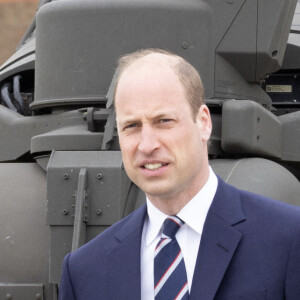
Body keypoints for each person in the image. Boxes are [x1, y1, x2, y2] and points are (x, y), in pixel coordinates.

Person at [59, 49, 300, 300]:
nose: (147, 145)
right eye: (132, 126)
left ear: (204, 122)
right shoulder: (84, 272)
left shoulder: (289, 239)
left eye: (164, 121)